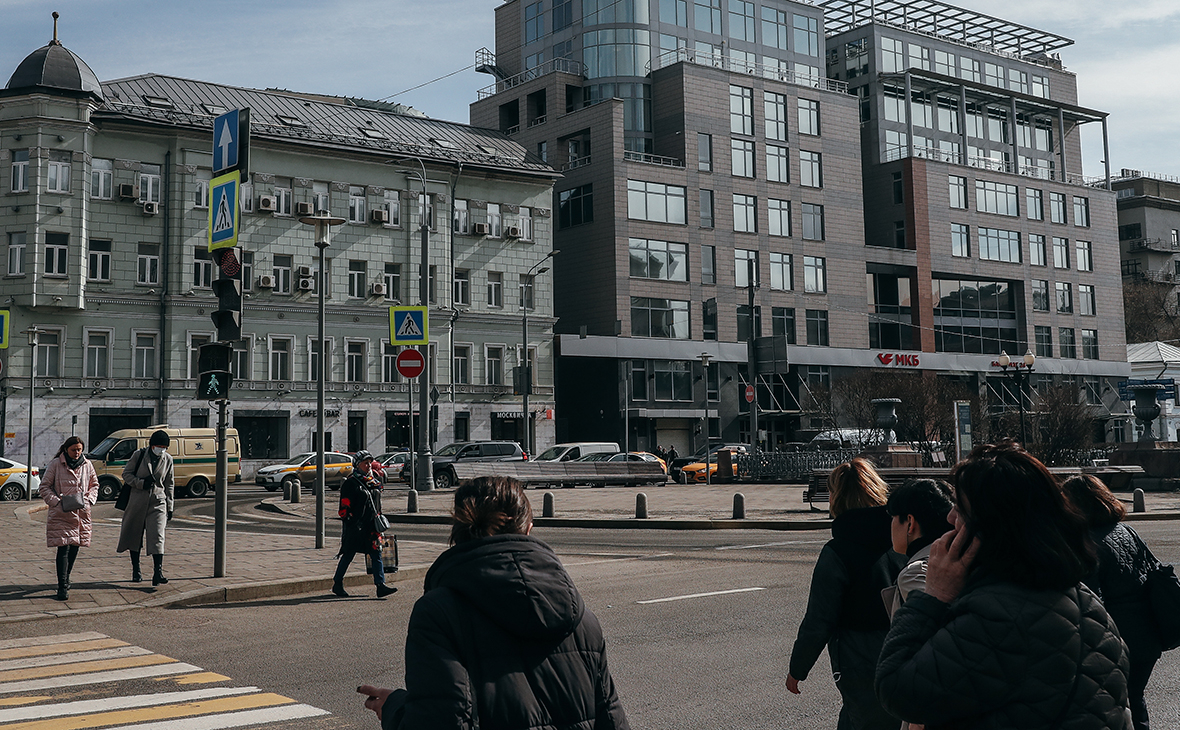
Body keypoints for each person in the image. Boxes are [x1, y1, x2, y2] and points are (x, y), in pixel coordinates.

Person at [875, 442, 1130, 729]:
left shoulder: (995, 615)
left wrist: (933, 596)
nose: (950, 518)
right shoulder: (1088, 603)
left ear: (990, 525)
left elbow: (897, 690)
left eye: (959, 509)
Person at [358, 475, 629, 730]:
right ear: (528, 529)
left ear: (457, 533)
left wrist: (395, 707)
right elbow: (612, 719)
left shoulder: (439, 612)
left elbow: (442, 721)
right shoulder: (580, 617)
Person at [786, 458, 903, 730]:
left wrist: (797, 668)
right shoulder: (900, 541)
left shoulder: (837, 552)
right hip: (903, 647)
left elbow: (819, 619)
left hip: (858, 657)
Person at [1063, 474, 1159, 730]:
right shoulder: (1127, 531)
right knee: (1135, 698)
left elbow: (1091, 603)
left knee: (1116, 705)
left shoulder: (1087, 543)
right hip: (1148, 636)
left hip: (1118, 640)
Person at [881, 479, 953, 618]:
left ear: (910, 523)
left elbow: (927, 626)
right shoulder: (958, 559)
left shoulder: (914, 573)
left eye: (893, 517)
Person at [39, 436, 99, 601]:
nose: (77, 453)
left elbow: (94, 484)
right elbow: (44, 487)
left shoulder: (87, 464)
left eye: (79, 449)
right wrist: (57, 503)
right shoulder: (56, 464)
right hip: (62, 514)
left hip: (81, 513)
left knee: (75, 547)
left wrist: (89, 500)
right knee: (63, 549)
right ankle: (62, 586)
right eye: (74, 450)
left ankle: (66, 577)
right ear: (66, 449)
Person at [333, 450, 396, 598]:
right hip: (356, 527)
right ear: (357, 465)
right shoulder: (351, 483)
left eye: (369, 463)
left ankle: (380, 586)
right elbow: (343, 508)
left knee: (376, 553)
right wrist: (349, 521)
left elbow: (376, 503)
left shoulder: (373, 482)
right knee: (348, 555)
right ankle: (337, 583)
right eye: (365, 463)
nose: (368, 466)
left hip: (371, 527)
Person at [118, 429, 175, 586]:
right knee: (134, 535)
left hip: (158, 501)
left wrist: (170, 506)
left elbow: (169, 483)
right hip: (137, 500)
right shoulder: (139, 455)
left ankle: (158, 572)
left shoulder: (168, 459)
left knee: (157, 535)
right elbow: (126, 474)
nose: (161, 449)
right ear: (152, 445)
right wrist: (141, 483)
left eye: (164, 446)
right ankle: (136, 570)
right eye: (159, 445)